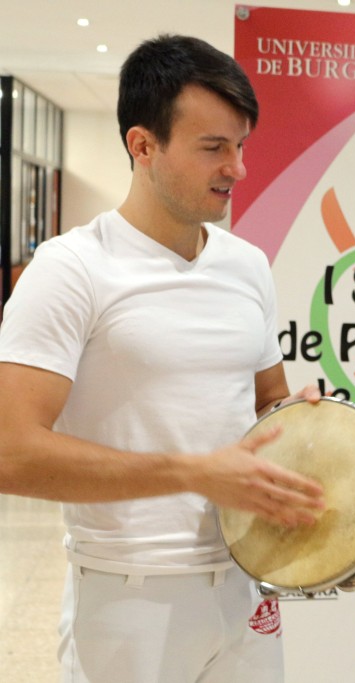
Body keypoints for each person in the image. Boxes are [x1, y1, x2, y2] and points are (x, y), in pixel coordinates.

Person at [0, 35, 326, 682]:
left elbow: (267, 403)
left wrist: (306, 424)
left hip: (249, 583)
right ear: (143, 145)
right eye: (213, 147)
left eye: (241, 146)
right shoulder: (71, 268)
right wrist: (194, 472)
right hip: (129, 594)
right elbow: (12, 452)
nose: (237, 168)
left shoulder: (248, 265)